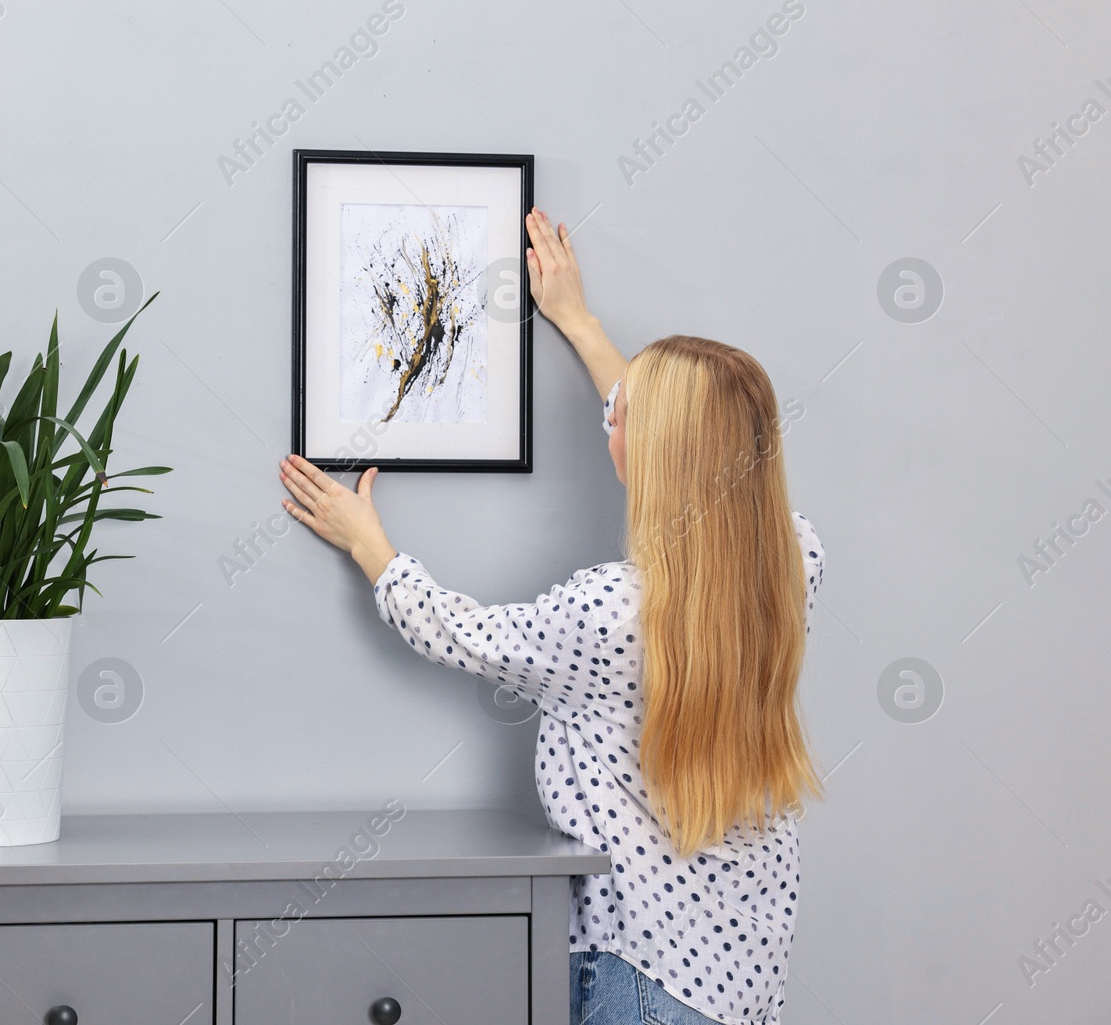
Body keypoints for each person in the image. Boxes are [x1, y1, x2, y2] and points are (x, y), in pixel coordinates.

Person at [278, 207, 826, 1025]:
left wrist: (371, 545)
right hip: (744, 985)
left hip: (638, 977)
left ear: (648, 447)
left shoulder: (605, 613)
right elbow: (698, 458)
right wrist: (579, 319)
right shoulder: (794, 561)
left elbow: (453, 630)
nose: (613, 417)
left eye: (626, 416)